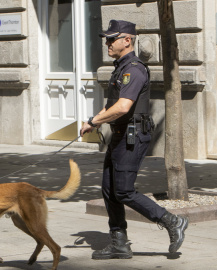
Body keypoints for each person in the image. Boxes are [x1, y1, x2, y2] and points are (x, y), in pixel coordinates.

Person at [80, 19, 188, 260]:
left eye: (111, 39)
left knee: (125, 191)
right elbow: (116, 108)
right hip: (120, 136)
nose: (106, 43)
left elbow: (123, 107)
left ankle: (172, 221)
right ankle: (119, 242)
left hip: (132, 137)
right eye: (106, 39)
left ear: (127, 40)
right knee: (109, 190)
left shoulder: (134, 69)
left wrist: (94, 121)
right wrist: (97, 120)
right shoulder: (121, 67)